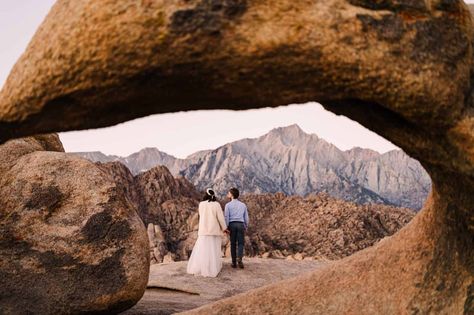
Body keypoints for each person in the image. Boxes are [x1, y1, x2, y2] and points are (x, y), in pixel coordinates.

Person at [187, 188, 228, 277]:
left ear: (205, 195)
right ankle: (212, 268)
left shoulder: (201, 204)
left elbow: (201, 216)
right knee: (213, 250)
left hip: (203, 230)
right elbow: (220, 218)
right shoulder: (216, 205)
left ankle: (201, 267)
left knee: (203, 250)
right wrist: (224, 228)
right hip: (214, 231)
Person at [224, 187, 249, 269]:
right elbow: (246, 218)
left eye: (228, 193)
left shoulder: (228, 205)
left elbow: (226, 217)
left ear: (231, 195)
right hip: (240, 224)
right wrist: (245, 226)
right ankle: (240, 259)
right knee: (241, 243)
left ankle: (234, 262)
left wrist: (226, 226)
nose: (227, 194)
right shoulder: (243, 205)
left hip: (232, 225)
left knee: (233, 244)